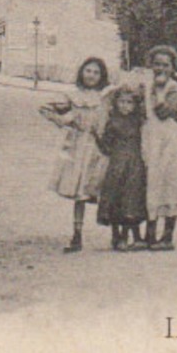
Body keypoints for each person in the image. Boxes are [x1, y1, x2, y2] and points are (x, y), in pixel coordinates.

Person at [42, 55, 111, 254]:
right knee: (80, 191)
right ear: (81, 72)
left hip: (100, 146)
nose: (91, 75)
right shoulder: (72, 96)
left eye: (96, 72)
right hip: (80, 146)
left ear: (102, 76)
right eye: (88, 71)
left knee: (105, 186)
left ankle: (118, 232)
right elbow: (45, 108)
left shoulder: (105, 97)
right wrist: (65, 120)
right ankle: (77, 233)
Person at [141, 46, 177, 251]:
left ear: (172, 68)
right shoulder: (145, 85)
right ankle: (150, 234)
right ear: (150, 65)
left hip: (169, 141)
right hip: (150, 138)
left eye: (165, 65)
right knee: (151, 183)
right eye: (156, 64)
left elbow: (164, 112)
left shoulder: (173, 87)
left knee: (170, 182)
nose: (160, 68)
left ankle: (168, 235)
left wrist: (156, 90)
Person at [94, 85, 148, 252]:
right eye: (122, 102)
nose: (125, 106)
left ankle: (131, 236)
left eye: (129, 102)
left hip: (134, 166)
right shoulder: (113, 122)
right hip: (116, 166)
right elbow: (106, 147)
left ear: (135, 105)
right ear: (115, 103)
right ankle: (117, 236)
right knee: (115, 199)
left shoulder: (138, 122)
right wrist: (96, 137)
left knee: (131, 200)